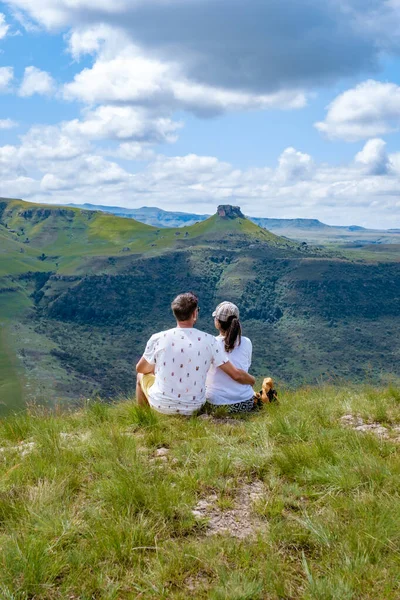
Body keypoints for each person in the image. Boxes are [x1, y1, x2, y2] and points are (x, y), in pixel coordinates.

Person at [136, 292, 255, 415]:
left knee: (141, 375)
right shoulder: (210, 341)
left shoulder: (158, 338)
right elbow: (235, 374)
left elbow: (140, 368)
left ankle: (145, 419)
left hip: (162, 405)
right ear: (194, 313)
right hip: (195, 407)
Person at [206, 301, 255, 413]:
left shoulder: (210, 344)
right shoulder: (247, 342)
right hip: (245, 402)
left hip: (216, 403)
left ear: (217, 322)